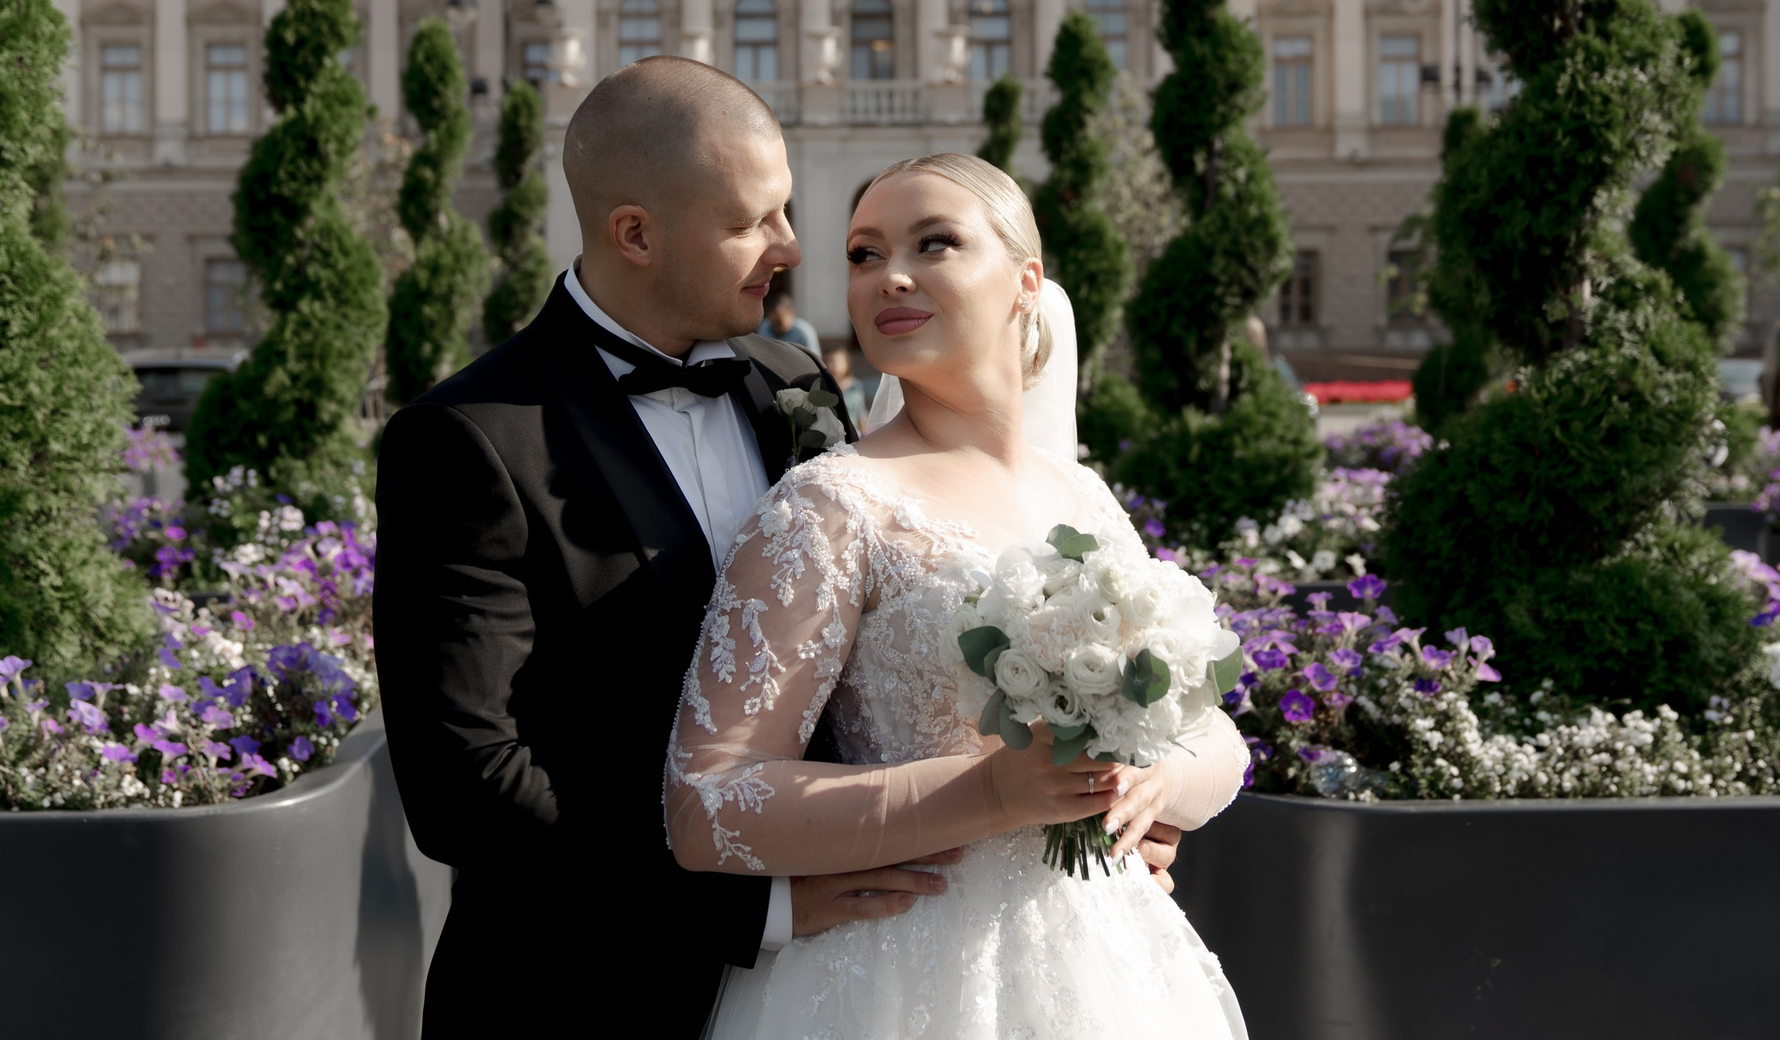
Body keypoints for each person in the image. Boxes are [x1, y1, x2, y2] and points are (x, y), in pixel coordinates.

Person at [374, 64, 1185, 1038]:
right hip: (586, 986)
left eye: (791, 213)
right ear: (634, 233)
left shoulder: (789, 379)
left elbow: (864, 656)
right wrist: (756, 907)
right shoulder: (467, 438)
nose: (791, 248)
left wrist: (1079, 800)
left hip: (878, 968)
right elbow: (466, 787)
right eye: (753, 221)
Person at [671, 152, 1247, 1040]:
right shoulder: (833, 504)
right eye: (864, 253)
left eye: (933, 242)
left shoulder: (1083, 496)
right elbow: (706, 805)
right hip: (897, 981)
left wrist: (1150, 778)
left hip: (1109, 967)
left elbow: (1216, 736)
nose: (888, 274)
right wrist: (992, 795)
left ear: (1026, 280)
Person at [758, 278, 821, 356]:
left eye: (780, 322)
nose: (777, 328)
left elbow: (814, 360)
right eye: (774, 323)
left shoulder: (804, 332)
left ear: (792, 314)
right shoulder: (764, 327)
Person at [823, 343, 874, 421]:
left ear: (846, 364)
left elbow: (861, 413)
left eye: (838, 361)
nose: (835, 366)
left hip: (852, 430)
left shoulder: (855, 386)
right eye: (831, 361)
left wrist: (865, 432)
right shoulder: (824, 385)